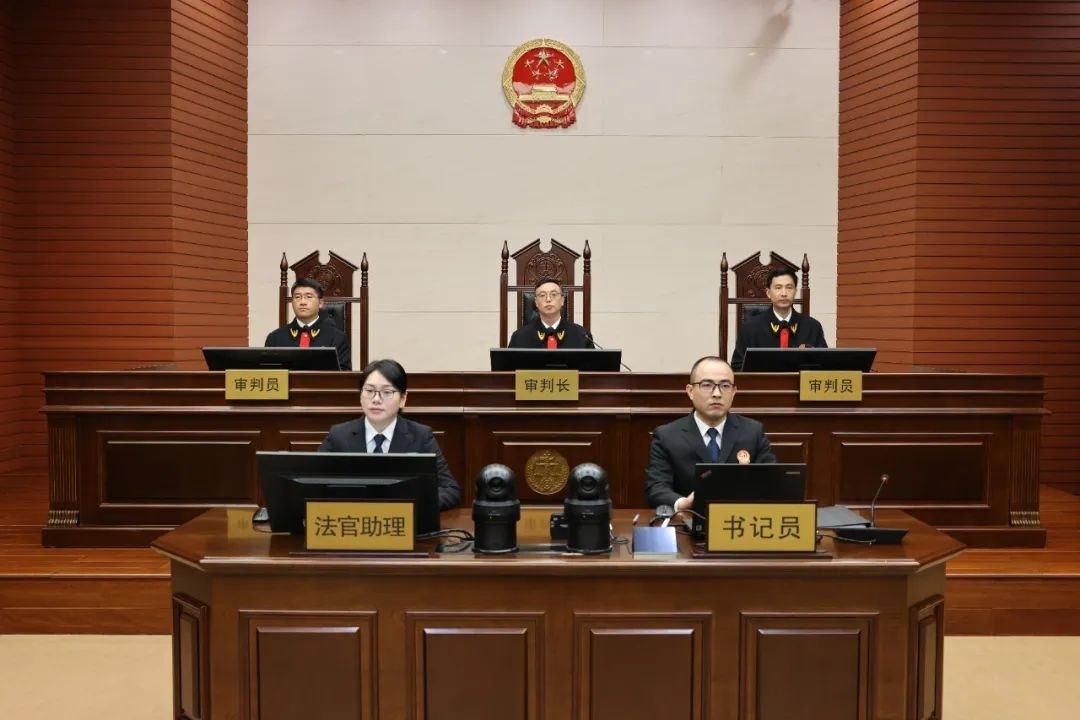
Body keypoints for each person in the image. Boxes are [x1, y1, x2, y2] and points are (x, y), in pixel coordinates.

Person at [318, 359, 461, 509]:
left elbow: (449, 489)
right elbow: (313, 483)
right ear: (360, 396)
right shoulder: (338, 435)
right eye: (369, 391)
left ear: (403, 399)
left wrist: (410, 505)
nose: (376, 399)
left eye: (387, 392)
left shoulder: (421, 437)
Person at [644, 356, 776, 511]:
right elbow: (656, 488)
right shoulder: (667, 436)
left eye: (725, 386)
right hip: (690, 518)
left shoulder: (753, 432)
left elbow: (771, 482)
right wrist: (683, 503)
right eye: (707, 385)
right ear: (690, 391)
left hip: (741, 518)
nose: (717, 394)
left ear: (734, 392)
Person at [730, 267, 827, 371]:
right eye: (778, 288)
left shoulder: (813, 327)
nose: (784, 293)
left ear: (795, 292)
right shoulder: (750, 328)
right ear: (768, 293)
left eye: (789, 287)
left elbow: (824, 365)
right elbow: (737, 367)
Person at [265, 278, 351, 370]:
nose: (302, 302)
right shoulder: (275, 338)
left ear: (320, 303)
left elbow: (344, 374)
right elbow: (267, 372)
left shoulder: (337, 338)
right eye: (297, 297)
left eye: (309, 297)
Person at [507, 277, 595, 349]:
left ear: (562, 300)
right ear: (536, 302)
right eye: (542, 295)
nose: (548, 299)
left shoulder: (582, 336)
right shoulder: (519, 337)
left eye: (553, 294)